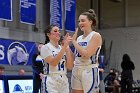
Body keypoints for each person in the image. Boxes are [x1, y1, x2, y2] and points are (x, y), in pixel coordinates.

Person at [71, 9, 102, 93]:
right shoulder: (79, 38)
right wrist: (66, 47)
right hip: (77, 69)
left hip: (89, 70)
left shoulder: (95, 35)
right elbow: (76, 57)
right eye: (79, 21)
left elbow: (86, 55)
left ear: (90, 22)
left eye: (83, 20)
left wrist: (73, 42)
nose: (80, 23)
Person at [40, 25, 74, 93]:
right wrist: (64, 47)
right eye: (55, 31)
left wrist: (67, 48)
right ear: (48, 34)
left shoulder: (62, 48)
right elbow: (54, 63)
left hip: (64, 79)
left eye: (59, 31)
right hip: (51, 79)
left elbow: (70, 67)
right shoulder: (45, 47)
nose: (58, 33)